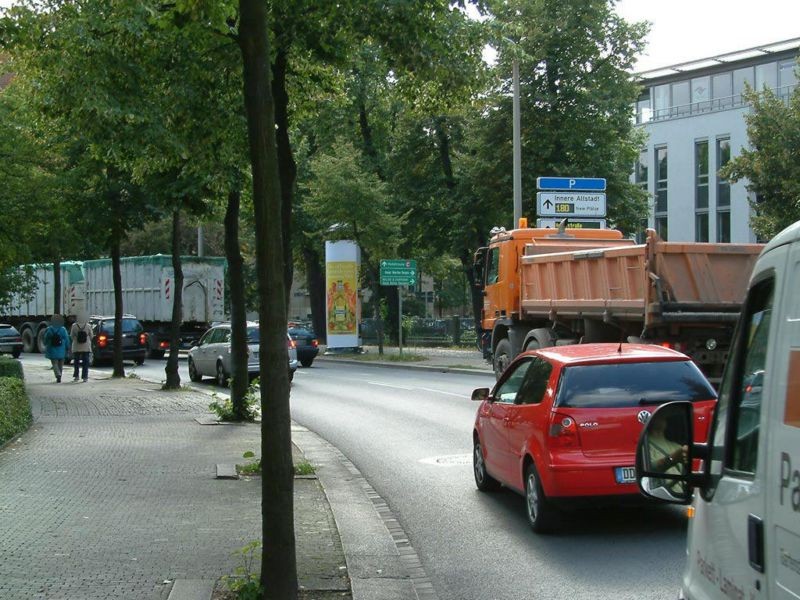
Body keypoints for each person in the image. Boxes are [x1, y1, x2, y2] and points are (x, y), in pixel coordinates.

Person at [44, 315, 69, 383]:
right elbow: (66, 339)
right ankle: (60, 375)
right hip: (61, 348)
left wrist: (45, 343)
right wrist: (67, 347)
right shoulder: (63, 329)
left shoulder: (50, 329)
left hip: (52, 348)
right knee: (61, 363)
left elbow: (46, 338)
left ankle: (57, 374)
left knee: (54, 363)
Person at [70, 311, 91, 382]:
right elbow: (91, 335)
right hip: (86, 346)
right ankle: (85, 377)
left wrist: (75, 340)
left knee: (76, 362)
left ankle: (76, 376)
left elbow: (71, 335)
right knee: (85, 362)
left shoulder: (74, 326)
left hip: (76, 346)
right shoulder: (88, 325)